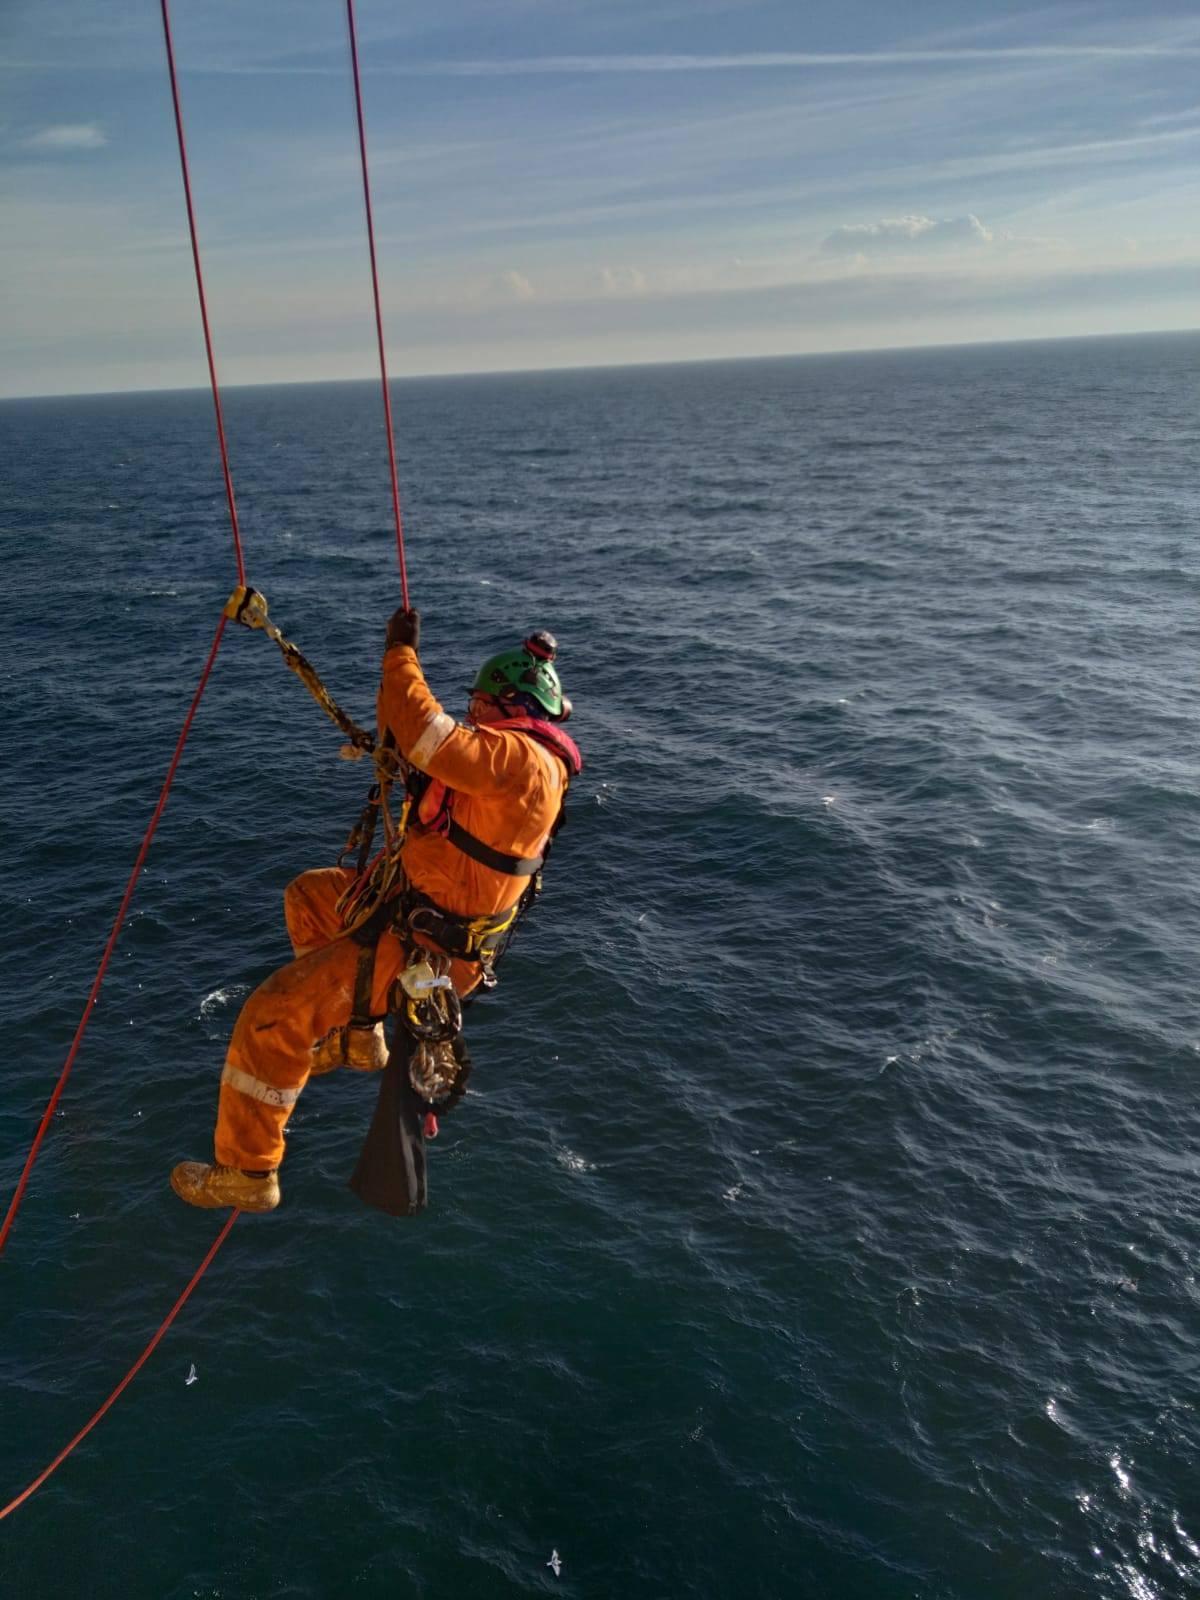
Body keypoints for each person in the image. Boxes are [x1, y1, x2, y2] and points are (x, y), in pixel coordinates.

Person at [171, 607, 581, 1212]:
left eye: (480, 706)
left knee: (271, 1018)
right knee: (311, 895)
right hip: (412, 907)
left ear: (506, 704)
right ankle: (357, 1037)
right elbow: (424, 739)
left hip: (426, 945)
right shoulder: (521, 761)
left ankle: (247, 1173)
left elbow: (424, 732)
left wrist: (401, 653)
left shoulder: (518, 762)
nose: (473, 715)